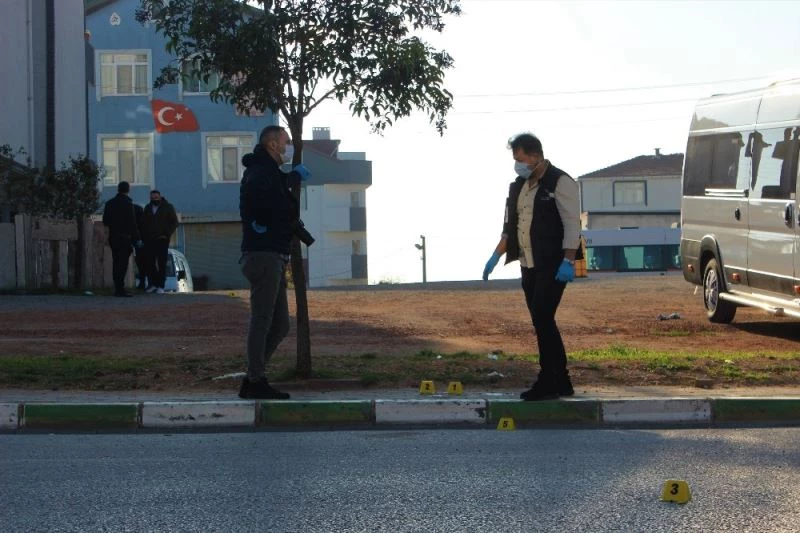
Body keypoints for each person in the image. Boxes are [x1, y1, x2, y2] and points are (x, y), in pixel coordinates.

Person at [482, 133, 581, 401]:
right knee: (542, 321)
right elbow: (509, 227)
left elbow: (572, 224)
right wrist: (495, 256)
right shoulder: (518, 187)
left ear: (536, 155)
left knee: (543, 317)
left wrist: (568, 260)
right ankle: (561, 380)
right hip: (528, 264)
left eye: (520, 159)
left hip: (554, 264)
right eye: (515, 159)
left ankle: (548, 381)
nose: (518, 164)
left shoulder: (560, 181)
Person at [238, 125, 311, 400]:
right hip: (263, 254)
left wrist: (293, 177)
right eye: (285, 141)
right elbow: (267, 203)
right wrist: (278, 221)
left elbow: (276, 188)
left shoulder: (267, 171)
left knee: (280, 325)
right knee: (262, 319)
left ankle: (252, 376)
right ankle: (256, 380)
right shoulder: (260, 172)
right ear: (272, 144)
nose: (288, 146)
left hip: (273, 254)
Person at [102, 181, 142, 297]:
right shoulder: (128, 204)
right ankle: (120, 289)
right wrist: (137, 239)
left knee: (116, 262)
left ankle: (117, 287)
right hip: (125, 238)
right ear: (128, 190)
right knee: (122, 264)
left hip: (113, 237)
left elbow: (105, 221)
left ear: (118, 189)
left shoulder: (110, 203)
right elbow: (132, 223)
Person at [140, 190, 178, 294]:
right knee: (150, 263)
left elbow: (174, 222)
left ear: (160, 197)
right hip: (150, 240)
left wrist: (167, 234)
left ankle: (161, 286)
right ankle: (155, 284)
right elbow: (143, 223)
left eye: (156, 198)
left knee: (162, 263)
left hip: (162, 240)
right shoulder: (148, 208)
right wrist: (144, 236)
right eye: (152, 198)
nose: (154, 200)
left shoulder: (168, 207)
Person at [132, 203, 150, 290]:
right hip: (141, 243)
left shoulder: (137, 222)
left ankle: (143, 282)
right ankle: (144, 282)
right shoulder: (143, 221)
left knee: (141, 263)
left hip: (140, 243)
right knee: (142, 263)